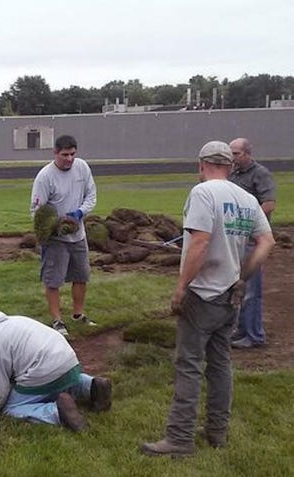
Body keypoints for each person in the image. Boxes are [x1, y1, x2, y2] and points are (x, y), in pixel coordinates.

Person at [141, 141, 275, 457]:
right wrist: (243, 277)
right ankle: (217, 433)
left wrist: (180, 288)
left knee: (189, 365)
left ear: (201, 164)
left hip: (203, 294)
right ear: (229, 166)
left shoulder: (202, 194)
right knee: (220, 365)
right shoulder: (245, 199)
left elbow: (199, 243)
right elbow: (266, 241)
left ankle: (179, 439)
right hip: (230, 295)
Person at [0, 301, 112, 432]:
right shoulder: (12, 320)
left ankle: (57, 413)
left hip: (45, 371)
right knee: (62, 380)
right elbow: (3, 358)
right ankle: (92, 386)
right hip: (69, 361)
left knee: (11, 407)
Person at [30, 134, 97, 337]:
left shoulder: (82, 168)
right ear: (55, 153)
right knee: (53, 280)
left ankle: (78, 314)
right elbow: (36, 210)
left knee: (81, 276)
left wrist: (79, 213)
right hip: (56, 239)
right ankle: (57, 320)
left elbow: (91, 196)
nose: (69, 159)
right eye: (65, 155)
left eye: (72, 154)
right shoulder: (45, 177)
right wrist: (53, 227)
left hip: (78, 234)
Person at [228, 137, 277, 349]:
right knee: (238, 286)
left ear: (248, 153)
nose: (232, 157)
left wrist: (247, 221)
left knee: (251, 289)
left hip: (253, 240)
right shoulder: (232, 175)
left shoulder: (261, 174)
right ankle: (241, 329)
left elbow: (269, 204)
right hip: (236, 239)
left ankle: (255, 335)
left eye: (236, 153)